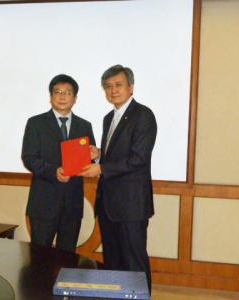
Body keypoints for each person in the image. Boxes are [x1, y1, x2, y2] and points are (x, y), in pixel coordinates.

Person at [80, 65, 157, 293]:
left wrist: (101, 168)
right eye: (108, 86)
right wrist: (99, 154)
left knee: (134, 262)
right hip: (108, 204)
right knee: (113, 262)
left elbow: (139, 158)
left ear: (130, 87)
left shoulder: (143, 115)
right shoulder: (108, 118)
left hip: (132, 204)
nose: (113, 90)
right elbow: (119, 155)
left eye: (118, 85)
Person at [22, 74, 96, 253]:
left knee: (67, 255)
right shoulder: (36, 123)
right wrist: (53, 171)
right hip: (44, 202)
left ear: (75, 98)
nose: (62, 96)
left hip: (72, 203)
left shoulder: (84, 125)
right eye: (58, 92)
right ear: (50, 97)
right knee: (39, 256)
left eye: (68, 92)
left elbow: (89, 159)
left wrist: (96, 155)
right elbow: (29, 157)